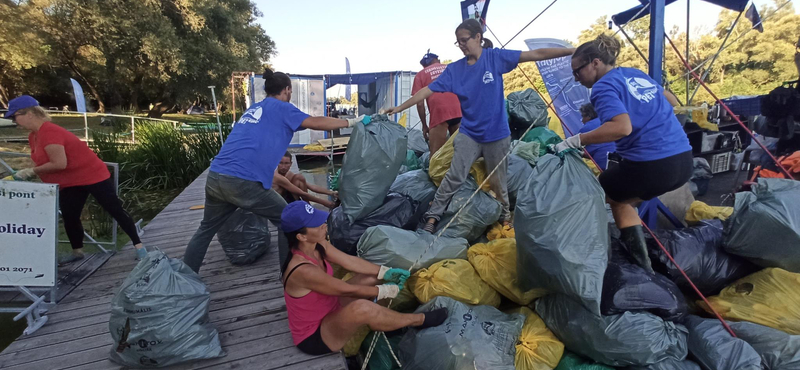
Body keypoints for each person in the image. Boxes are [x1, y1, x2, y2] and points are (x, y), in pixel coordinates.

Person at [385, 19, 574, 233]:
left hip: (497, 136)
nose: (462, 45)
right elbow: (426, 91)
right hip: (469, 134)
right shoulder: (455, 70)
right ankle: (433, 216)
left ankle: (504, 216)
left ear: (478, 37)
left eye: (465, 40)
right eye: (458, 42)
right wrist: (400, 107)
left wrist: (572, 51)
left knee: (498, 180)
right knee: (454, 177)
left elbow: (535, 55)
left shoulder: (495, 58)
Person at [183, 68, 371, 273]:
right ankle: (289, 274)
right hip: (241, 181)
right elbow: (316, 122)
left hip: (216, 176)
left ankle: (185, 277)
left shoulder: (255, 109)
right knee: (287, 221)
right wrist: (352, 121)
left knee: (205, 230)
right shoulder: (282, 107)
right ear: (287, 90)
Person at [557, 34, 693, 273]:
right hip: (684, 160)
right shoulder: (635, 74)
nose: (576, 78)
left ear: (595, 63)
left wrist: (576, 140)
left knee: (604, 192)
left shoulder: (602, 87)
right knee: (626, 196)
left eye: (577, 71)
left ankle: (640, 266)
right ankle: (640, 251)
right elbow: (671, 101)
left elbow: (621, 128)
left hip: (652, 166)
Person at [280, 200, 448, 355]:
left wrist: (386, 272)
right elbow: (345, 289)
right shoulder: (302, 270)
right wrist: (382, 291)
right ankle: (419, 320)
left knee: (371, 277)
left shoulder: (318, 244)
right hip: (316, 334)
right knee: (362, 307)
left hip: (331, 306)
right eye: (316, 225)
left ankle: (383, 323)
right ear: (301, 236)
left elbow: (349, 261)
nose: (324, 225)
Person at [5, 95, 146, 264]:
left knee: (114, 209)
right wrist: (25, 171)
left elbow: (59, 163)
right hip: (70, 181)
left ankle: (140, 248)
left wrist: (30, 171)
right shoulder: (34, 136)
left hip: (92, 174)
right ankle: (77, 252)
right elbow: (43, 160)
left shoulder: (50, 133)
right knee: (70, 215)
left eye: (15, 116)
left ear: (29, 114)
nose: (14, 121)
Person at [413, 50, 462, 155]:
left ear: (424, 65)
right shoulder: (451, 69)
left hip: (440, 114)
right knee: (461, 151)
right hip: (458, 111)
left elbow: (420, 103)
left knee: (436, 154)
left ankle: (435, 171)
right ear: (437, 60)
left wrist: (424, 125)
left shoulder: (420, 75)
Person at [578, 103, 617, 171]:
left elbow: (580, 150)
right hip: (621, 160)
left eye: (583, 116)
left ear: (589, 116)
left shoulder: (586, 128)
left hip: (603, 166)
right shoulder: (609, 121)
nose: (582, 120)